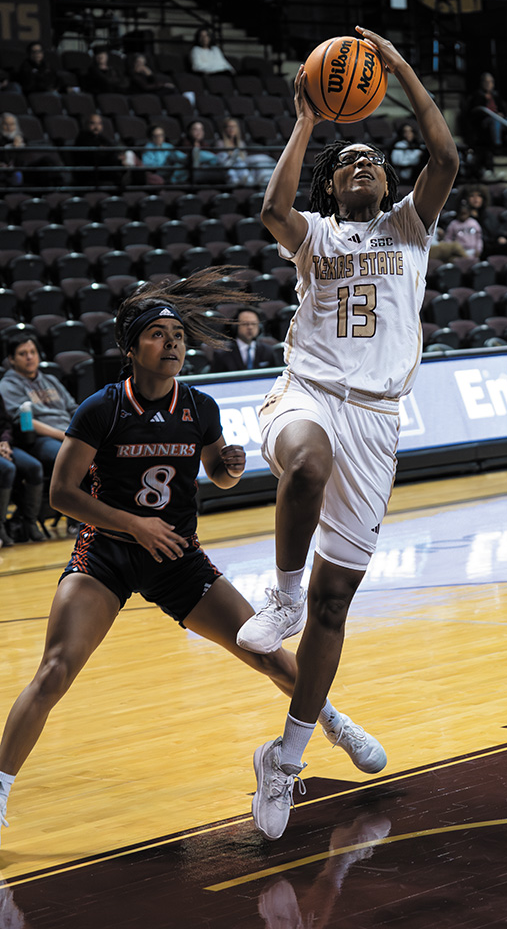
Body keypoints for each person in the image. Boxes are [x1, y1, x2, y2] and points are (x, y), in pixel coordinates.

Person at [0, 268, 386, 847]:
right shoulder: (100, 409)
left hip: (178, 558)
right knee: (56, 669)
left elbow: (216, 475)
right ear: (132, 349)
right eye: (158, 334)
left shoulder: (200, 407)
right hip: (108, 554)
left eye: (178, 334)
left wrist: (227, 466)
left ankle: (333, 724)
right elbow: (62, 494)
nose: (173, 342)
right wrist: (134, 525)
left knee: (266, 653)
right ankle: (1, 788)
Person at [235, 26, 458, 841]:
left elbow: (446, 160)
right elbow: (270, 209)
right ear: (332, 187)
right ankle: (281, 589)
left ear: (388, 183)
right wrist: (306, 124)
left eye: (371, 160)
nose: (360, 165)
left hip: (378, 418)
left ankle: (285, 760)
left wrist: (398, 68)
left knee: (338, 609)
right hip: (310, 392)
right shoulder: (318, 236)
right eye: (346, 162)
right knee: (304, 465)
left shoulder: (410, 230)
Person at [0, 331, 80, 542]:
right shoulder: (8, 385)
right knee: (68, 456)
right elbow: (23, 421)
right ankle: (75, 520)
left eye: (32, 352)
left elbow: (73, 408)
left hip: (68, 433)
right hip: (41, 438)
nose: (29, 357)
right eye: (22, 353)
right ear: (11, 359)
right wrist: (65, 436)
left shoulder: (51, 380)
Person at [0, 392, 45, 548]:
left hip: (4, 446)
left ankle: (29, 522)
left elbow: (6, 423)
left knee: (33, 467)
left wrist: (4, 441)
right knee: (7, 468)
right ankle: (1, 526)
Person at [209, 306, 276, 373]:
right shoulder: (222, 354)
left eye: (254, 324)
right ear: (235, 326)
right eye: (245, 324)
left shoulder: (268, 351)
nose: (250, 327)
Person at [215, 116, 276, 188]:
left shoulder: (241, 143)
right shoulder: (220, 143)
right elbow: (223, 161)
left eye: (234, 127)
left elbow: (244, 158)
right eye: (229, 127)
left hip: (242, 166)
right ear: (225, 129)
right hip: (231, 169)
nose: (231, 129)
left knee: (258, 161)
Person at [72, 111, 122, 186]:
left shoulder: (100, 137)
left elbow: (112, 147)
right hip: (90, 173)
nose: (96, 127)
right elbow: (94, 155)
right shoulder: (82, 137)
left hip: (103, 170)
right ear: (86, 125)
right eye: (92, 123)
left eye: (99, 123)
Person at [0, 112, 25, 187]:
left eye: (12, 124)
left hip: (18, 170)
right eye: (6, 124)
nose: (9, 128)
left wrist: (18, 147)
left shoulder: (21, 140)